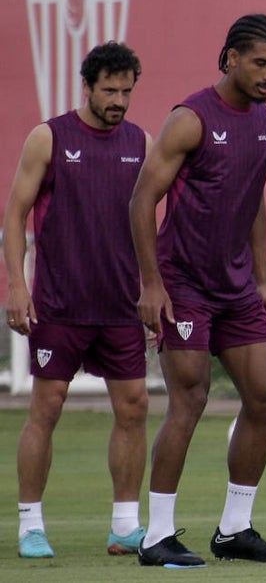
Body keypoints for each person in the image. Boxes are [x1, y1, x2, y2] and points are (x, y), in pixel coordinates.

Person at [128, 14, 266, 567]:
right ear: (229, 58)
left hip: (238, 287)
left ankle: (235, 529)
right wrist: (152, 284)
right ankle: (157, 536)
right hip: (184, 286)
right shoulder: (190, 119)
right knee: (190, 399)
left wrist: (265, 276)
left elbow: (254, 199)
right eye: (260, 63)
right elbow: (140, 200)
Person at [4, 42, 150, 559]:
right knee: (47, 407)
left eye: (126, 91)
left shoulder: (142, 142)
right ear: (86, 87)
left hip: (120, 307)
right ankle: (30, 527)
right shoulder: (50, 137)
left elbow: (154, 223)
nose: (118, 100)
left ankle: (125, 526)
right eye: (109, 90)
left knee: (134, 407)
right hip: (60, 303)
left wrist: (155, 288)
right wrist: (17, 286)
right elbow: (15, 214)